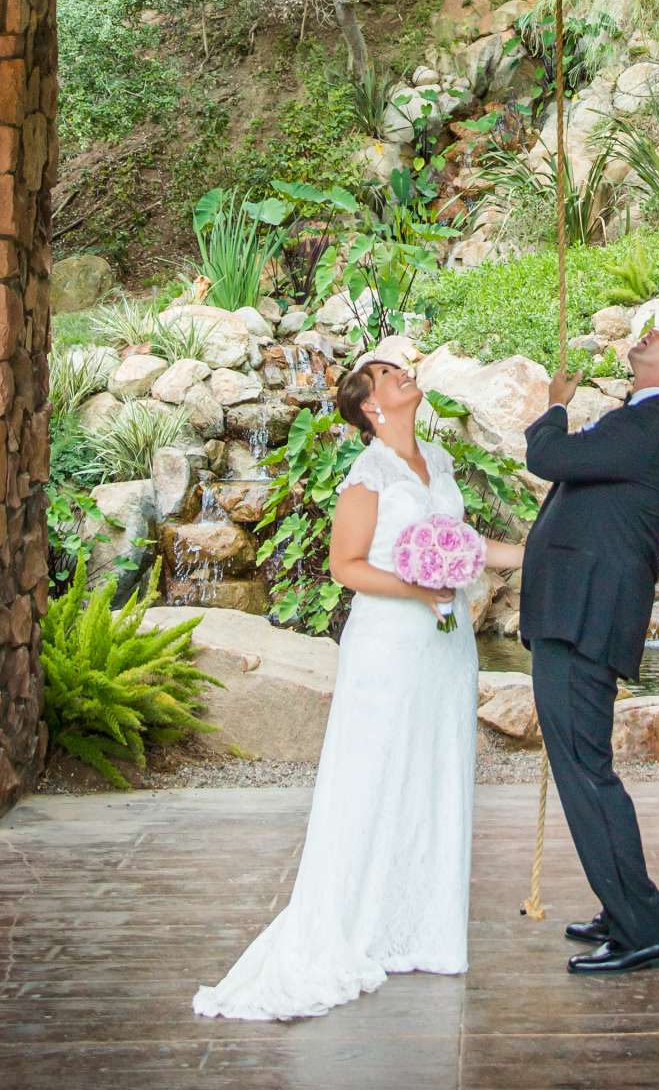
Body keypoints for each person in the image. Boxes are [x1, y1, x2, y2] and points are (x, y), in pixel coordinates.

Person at [192, 354, 524, 1023]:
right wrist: (418, 588)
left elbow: (462, 541)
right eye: (389, 374)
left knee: (435, 772)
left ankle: (422, 930)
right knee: (375, 774)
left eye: (403, 369)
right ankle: (359, 925)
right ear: (371, 406)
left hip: (447, 642)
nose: (405, 375)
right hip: (391, 644)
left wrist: (543, 548)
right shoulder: (367, 474)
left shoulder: (438, 458)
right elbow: (347, 567)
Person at [519, 314, 659, 976]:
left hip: (584, 618)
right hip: (577, 613)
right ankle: (620, 904)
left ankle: (643, 929)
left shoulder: (652, 424)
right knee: (586, 768)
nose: (649, 334)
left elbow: (547, 458)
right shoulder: (638, 421)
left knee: (585, 774)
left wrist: (553, 408)